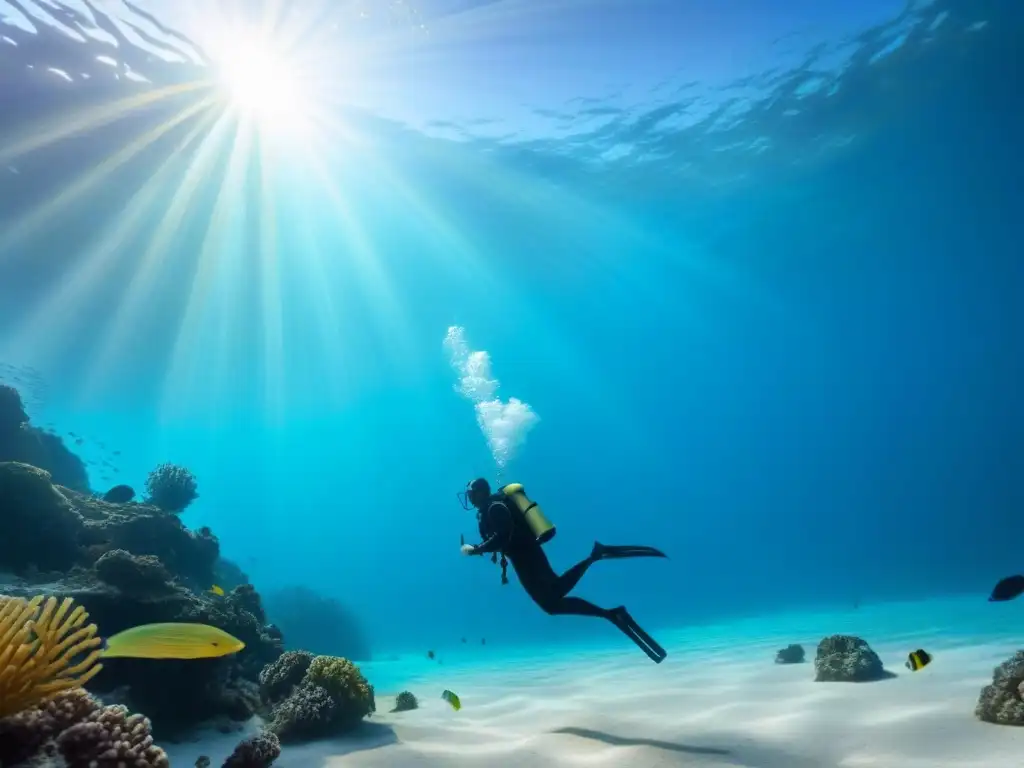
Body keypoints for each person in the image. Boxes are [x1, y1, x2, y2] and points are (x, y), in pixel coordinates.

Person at [458, 478, 668, 663]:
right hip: (528, 553)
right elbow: (500, 538)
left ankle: (609, 609)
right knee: (555, 593)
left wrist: (476, 550)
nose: (470, 498)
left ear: (481, 492)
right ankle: (600, 570)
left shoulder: (494, 508)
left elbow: (503, 536)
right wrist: (483, 548)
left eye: (471, 494)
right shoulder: (490, 509)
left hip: (526, 557)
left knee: (551, 603)